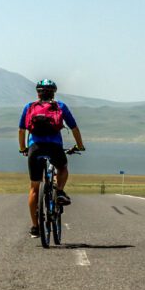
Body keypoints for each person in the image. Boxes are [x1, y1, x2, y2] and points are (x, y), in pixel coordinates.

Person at [19, 79, 85, 238]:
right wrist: (80, 146)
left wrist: (23, 148)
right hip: (55, 147)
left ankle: (35, 227)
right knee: (62, 168)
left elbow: (21, 130)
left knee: (34, 187)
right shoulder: (60, 106)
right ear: (54, 92)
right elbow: (74, 127)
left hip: (35, 148)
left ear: (38, 93)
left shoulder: (29, 107)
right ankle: (60, 192)